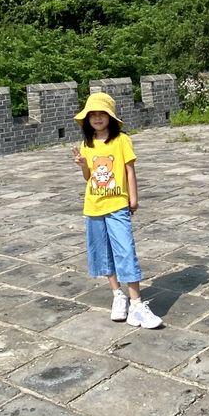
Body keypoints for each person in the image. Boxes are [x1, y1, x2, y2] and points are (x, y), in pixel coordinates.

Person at [72, 92, 162, 329]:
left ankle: (137, 305)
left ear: (110, 117)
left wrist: (134, 199)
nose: (98, 118)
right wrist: (83, 166)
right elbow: (89, 178)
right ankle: (117, 296)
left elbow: (130, 171)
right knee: (103, 252)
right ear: (87, 119)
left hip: (117, 205)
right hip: (93, 206)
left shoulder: (122, 140)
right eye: (93, 114)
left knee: (125, 251)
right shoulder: (87, 144)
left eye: (102, 114)